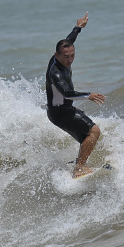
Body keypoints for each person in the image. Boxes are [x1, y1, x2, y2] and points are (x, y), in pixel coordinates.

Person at [45, 12, 106, 178]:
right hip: (60, 112)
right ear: (56, 55)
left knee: (86, 137)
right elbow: (67, 93)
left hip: (62, 110)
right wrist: (89, 95)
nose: (70, 60)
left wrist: (78, 27)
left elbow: (69, 40)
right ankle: (79, 168)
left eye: (72, 55)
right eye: (66, 57)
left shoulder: (62, 53)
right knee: (93, 132)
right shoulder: (55, 73)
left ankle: (79, 166)